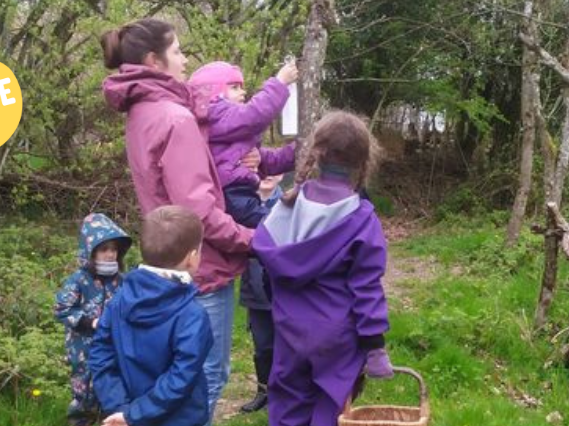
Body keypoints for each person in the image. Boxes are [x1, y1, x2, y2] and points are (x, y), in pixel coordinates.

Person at [99, 19, 254, 423]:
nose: (185, 60)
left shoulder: (141, 112)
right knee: (205, 378)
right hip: (199, 265)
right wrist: (252, 239)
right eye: (178, 51)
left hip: (161, 260)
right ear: (154, 60)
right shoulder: (174, 118)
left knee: (166, 377)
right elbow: (198, 212)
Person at [253, 111, 394, 426]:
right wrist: (374, 346)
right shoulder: (362, 219)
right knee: (330, 407)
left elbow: (265, 253)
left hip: (289, 329)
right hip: (337, 337)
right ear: (364, 162)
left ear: (316, 153)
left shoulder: (287, 205)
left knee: (288, 404)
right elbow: (367, 287)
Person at [89, 206, 213, 426]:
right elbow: (182, 377)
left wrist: (121, 409)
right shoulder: (193, 315)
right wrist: (134, 414)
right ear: (192, 258)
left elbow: (100, 354)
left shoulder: (118, 300)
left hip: (126, 413)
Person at [188, 61, 297, 228]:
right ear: (213, 92)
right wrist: (279, 83)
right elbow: (253, 116)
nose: (243, 92)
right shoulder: (214, 112)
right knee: (273, 226)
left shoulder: (230, 132)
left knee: (273, 224)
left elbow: (267, 159)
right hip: (231, 193)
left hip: (240, 193)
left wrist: (300, 150)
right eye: (234, 87)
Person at [54, 213, 133, 426]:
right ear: (91, 251)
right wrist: (90, 323)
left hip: (114, 346)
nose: (110, 254)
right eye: (104, 249)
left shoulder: (122, 281)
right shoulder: (79, 280)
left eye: (114, 249)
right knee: (85, 393)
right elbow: (62, 309)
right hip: (83, 348)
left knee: (113, 388)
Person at [238, 175, 283, 413]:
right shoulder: (241, 202)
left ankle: (285, 393)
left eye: (273, 171)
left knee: (286, 344)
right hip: (254, 290)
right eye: (262, 171)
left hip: (282, 288)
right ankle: (263, 392)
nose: (268, 176)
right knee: (263, 345)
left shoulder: (290, 203)